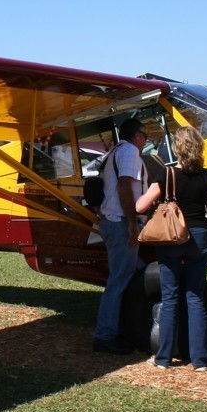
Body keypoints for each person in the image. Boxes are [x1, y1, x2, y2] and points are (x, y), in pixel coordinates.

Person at [135, 126, 207, 371]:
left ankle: (163, 358)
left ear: (177, 149)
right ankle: (200, 360)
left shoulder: (167, 174)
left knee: (170, 298)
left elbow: (141, 206)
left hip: (172, 238)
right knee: (195, 298)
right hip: (200, 237)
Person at [91, 118, 150, 355]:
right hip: (120, 223)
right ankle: (104, 336)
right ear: (136, 136)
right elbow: (124, 187)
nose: (147, 139)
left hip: (113, 221)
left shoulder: (115, 152)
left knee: (127, 275)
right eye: (145, 134)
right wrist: (133, 225)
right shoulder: (129, 153)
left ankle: (121, 328)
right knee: (119, 280)